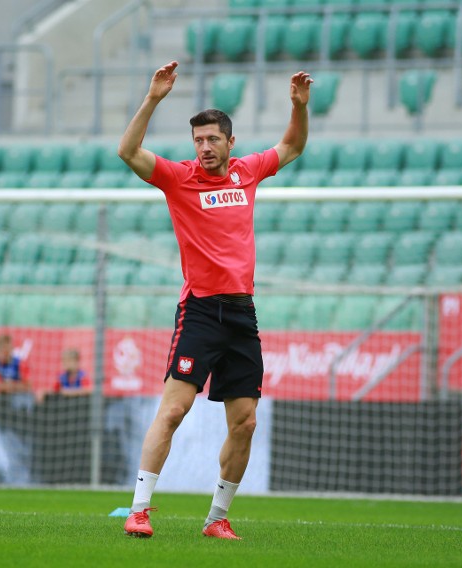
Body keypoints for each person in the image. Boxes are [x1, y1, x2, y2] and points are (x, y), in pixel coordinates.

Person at [117, 60, 312, 540]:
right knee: (174, 410)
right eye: (198, 141)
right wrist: (153, 98)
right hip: (201, 311)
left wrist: (298, 107)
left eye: (211, 140)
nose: (203, 148)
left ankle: (217, 518)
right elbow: (128, 151)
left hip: (242, 314)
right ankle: (139, 509)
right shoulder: (178, 178)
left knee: (244, 423)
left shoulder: (247, 173)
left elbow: (292, 145)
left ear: (229, 142)